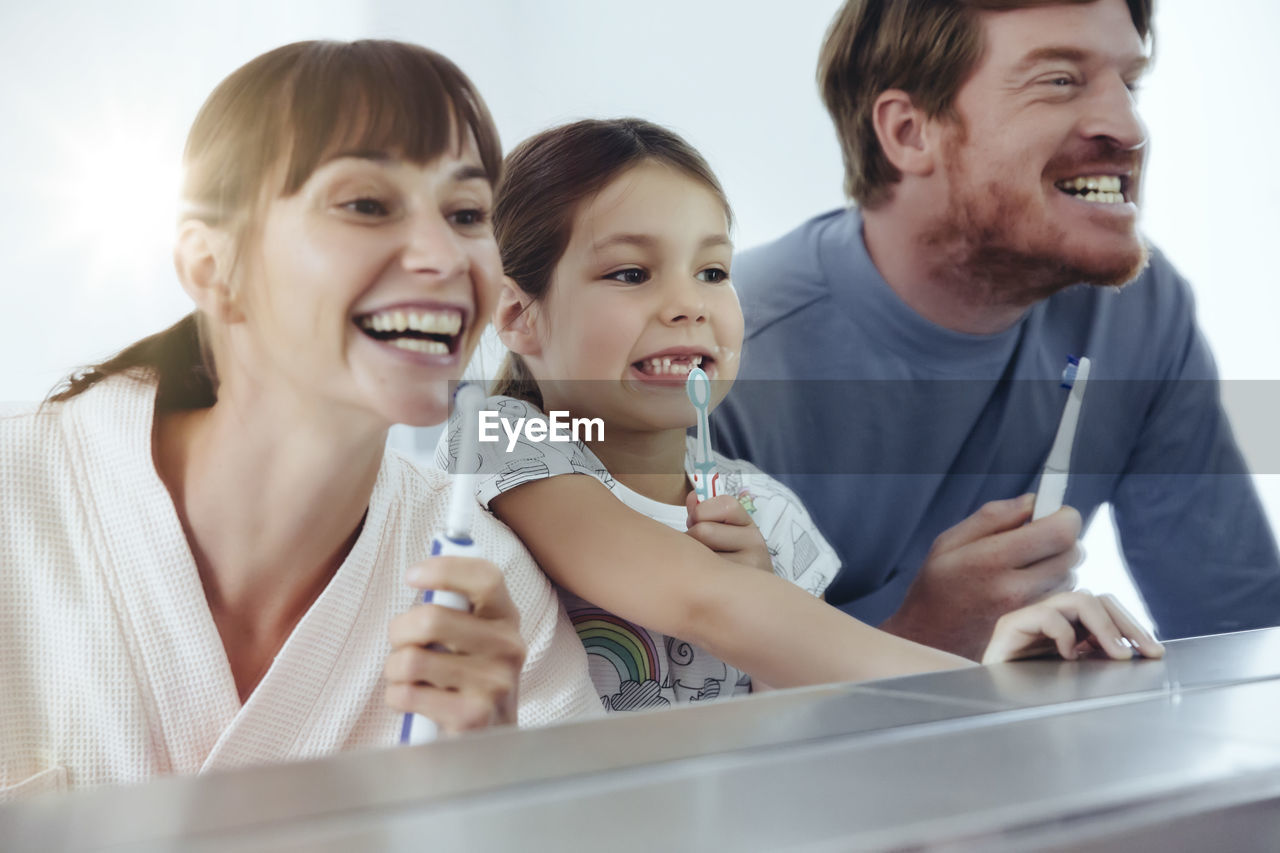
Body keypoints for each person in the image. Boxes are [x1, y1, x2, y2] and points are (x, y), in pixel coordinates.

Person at [0, 40, 601, 800]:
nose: (444, 255)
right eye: (366, 204)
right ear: (213, 268)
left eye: (466, 212)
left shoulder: (489, 585)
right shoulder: (16, 491)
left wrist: (485, 788)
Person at [437, 117, 1162, 713]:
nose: (690, 303)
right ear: (517, 315)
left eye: (713, 270)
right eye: (631, 272)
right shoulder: (502, 437)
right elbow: (705, 602)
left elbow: (808, 719)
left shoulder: (768, 512)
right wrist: (982, 691)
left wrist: (998, 656)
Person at [710, 0, 1280, 660]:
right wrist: (919, 638)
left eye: (1130, 83)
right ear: (909, 132)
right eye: (1060, 80)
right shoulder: (715, 360)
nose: (1128, 127)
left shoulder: (1139, 316)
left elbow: (1243, 639)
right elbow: (654, 724)